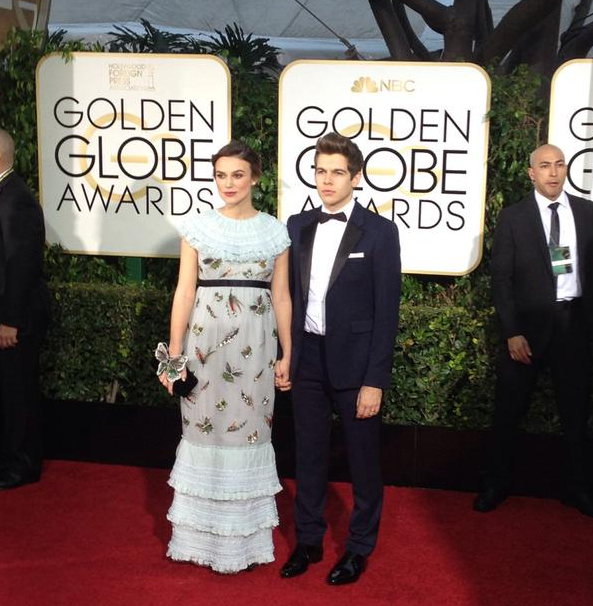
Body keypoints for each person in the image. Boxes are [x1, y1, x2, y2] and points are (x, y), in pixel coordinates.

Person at [158, 140, 291, 573]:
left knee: (249, 434)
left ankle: (244, 541)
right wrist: (174, 355)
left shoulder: (275, 232)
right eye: (220, 175)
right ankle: (199, 538)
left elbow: (282, 297)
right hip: (204, 348)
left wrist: (288, 352)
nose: (228, 184)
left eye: (237, 175)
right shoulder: (197, 228)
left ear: (255, 177)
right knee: (204, 432)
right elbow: (184, 291)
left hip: (257, 352)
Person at [281, 133, 401, 585]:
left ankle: (358, 548)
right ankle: (308, 540)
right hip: (307, 359)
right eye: (320, 171)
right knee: (308, 455)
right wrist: (286, 356)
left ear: (356, 177)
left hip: (356, 364)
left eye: (336, 172)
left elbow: (387, 312)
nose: (326, 180)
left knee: (363, 462)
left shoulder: (380, 232)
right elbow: (286, 298)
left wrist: (376, 380)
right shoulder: (296, 225)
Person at [474, 144, 593, 517]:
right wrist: (512, 331)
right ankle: (496, 484)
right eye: (545, 166)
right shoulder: (513, 218)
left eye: (559, 165)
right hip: (526, 329)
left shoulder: (587, 212)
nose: (553, 172)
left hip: (575, 326)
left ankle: (578, 488)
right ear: (531, 173)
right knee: (508, 411)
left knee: (576, 414)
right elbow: (501, 280)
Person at [0, 128, 49, 490]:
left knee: (17, 392)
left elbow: (21, 264)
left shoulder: (17, 199)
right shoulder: (8, 194)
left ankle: (23, 466)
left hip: (15, 320)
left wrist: (9, 321)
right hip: (9, 316)